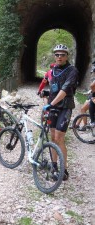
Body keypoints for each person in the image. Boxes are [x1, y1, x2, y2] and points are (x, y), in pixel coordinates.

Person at [42, 44, 79, 181]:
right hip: (53, 107)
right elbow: (54, 89)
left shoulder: (72, 70)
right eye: (57, 54)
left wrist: (51, 104)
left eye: (62, 54)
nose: (59, 57)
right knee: (52, 137)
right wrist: (45, 93)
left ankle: (64, 169)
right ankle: (54, 166)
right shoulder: (54, 70)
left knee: (59, 137)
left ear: (66, 56)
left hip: (65, 106)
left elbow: (64, 90)